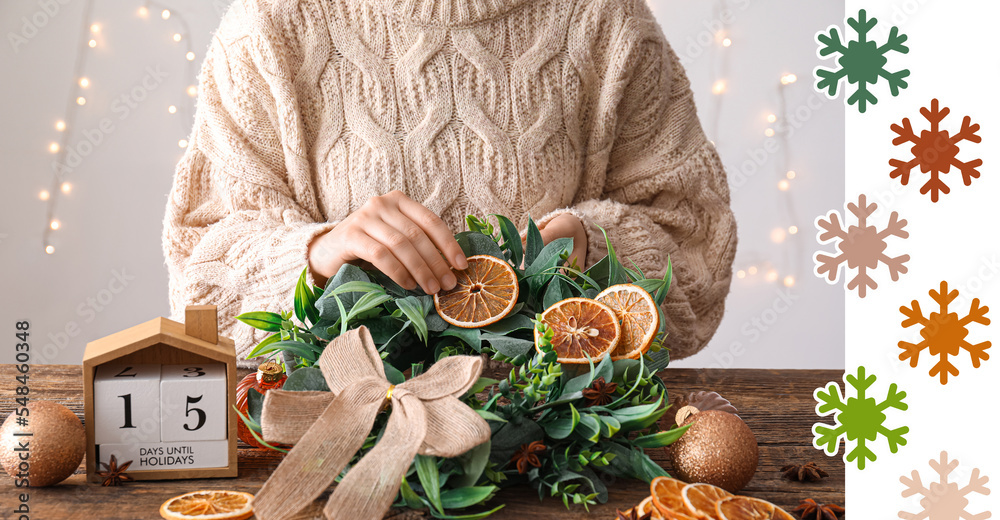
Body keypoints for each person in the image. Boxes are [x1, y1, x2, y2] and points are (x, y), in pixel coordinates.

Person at [163, 0, 737, 364]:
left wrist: (591, 246)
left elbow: (694, 254)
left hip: (564, 452)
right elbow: (200, 281)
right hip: (336, 443)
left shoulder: (607, 21)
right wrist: (315, 254)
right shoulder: (269, 25)